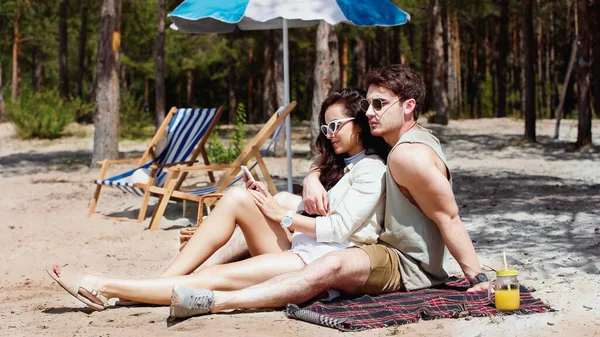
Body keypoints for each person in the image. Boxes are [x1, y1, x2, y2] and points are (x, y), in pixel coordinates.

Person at [171, 64, 490, 316]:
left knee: (331, 262)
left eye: (379, 104)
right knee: (267, 200)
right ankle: (194, 274)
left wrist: (476, 278)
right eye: (368, 104)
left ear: (409, 106)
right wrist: (312, 175)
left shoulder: (408, 155)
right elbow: (339, 153)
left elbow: (449, 217)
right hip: (383, 248)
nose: (369, 112)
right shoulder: (399, 143)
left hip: (405, 264)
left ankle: (216, 298)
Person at [47, 88, 390, 315]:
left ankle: (105, 287)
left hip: (317, 261)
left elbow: (340, 228)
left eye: (335, 125)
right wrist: (305, 182)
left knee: (215, 275)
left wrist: (281, 214)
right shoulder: (337, 164)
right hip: (301, 246)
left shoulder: (372, 170)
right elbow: (316, 194)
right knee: (239, 196)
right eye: (324, 127)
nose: (328, 134)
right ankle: (155, 283)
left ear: (359, 125)